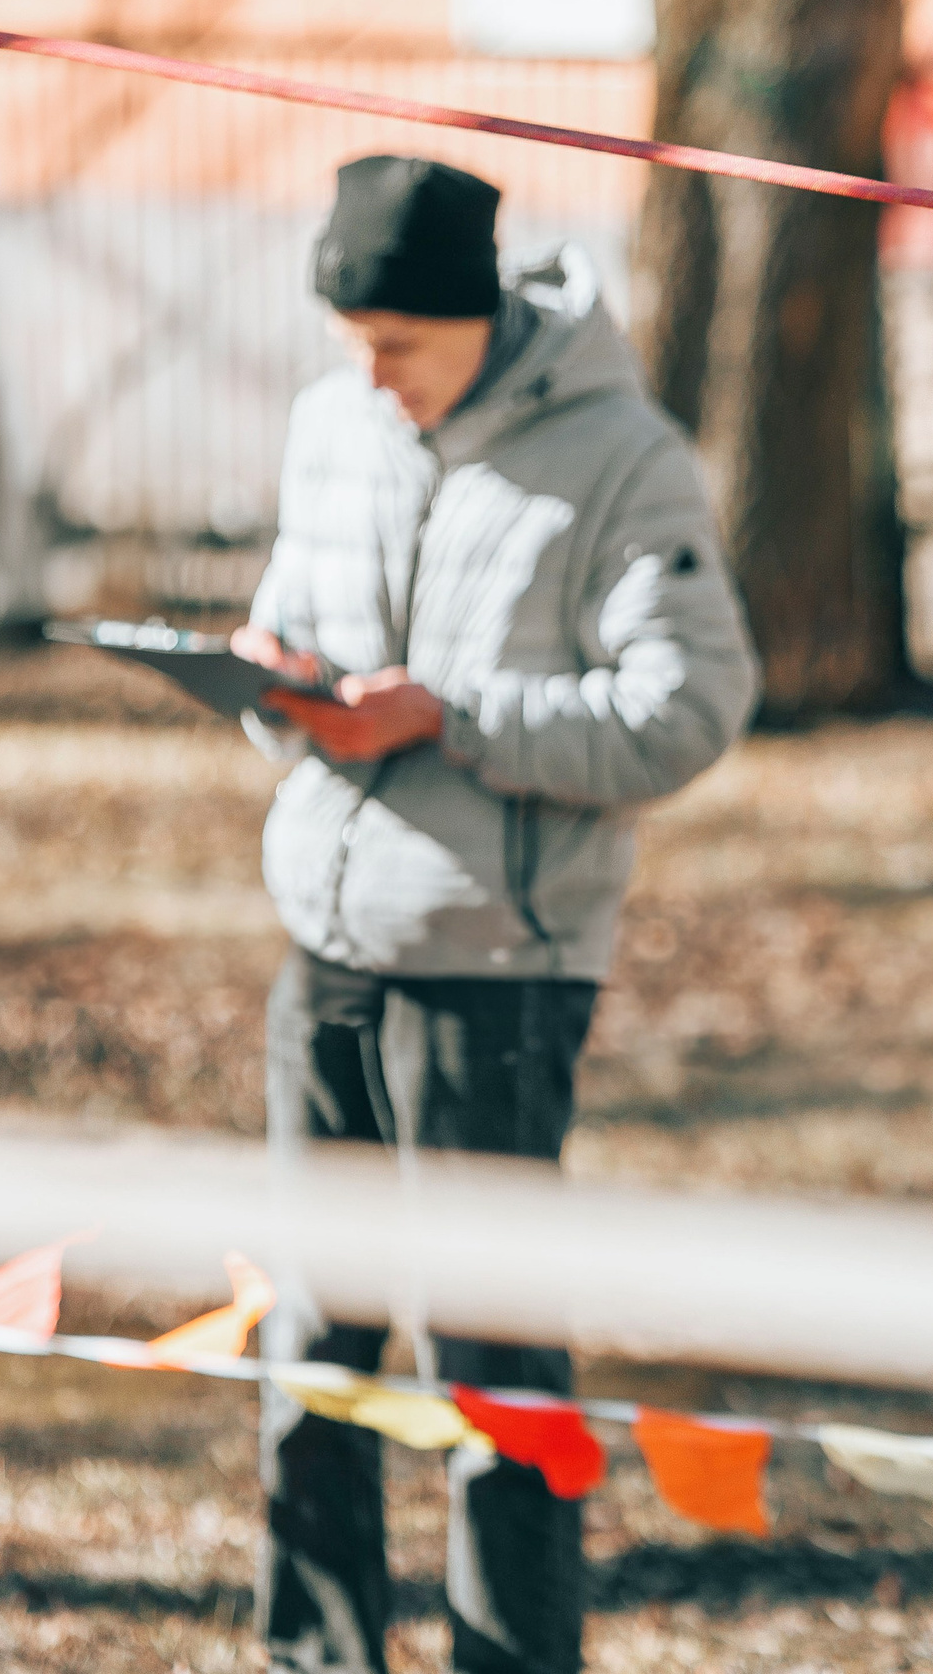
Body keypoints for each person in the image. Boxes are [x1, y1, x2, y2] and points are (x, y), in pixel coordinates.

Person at [236, 155, 756, 1674]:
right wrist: (271, 690)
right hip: (321, 945)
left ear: (480, 318)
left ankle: (510, 1657)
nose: (372, 376)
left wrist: (450, 717)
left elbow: (687, 712)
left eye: (398, 345)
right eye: (351, 345)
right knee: (308, 1340)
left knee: (488, 1360)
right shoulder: (332, 424)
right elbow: (299, 632)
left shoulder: (623, 458)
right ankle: (313, 1652)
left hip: (495, 970)